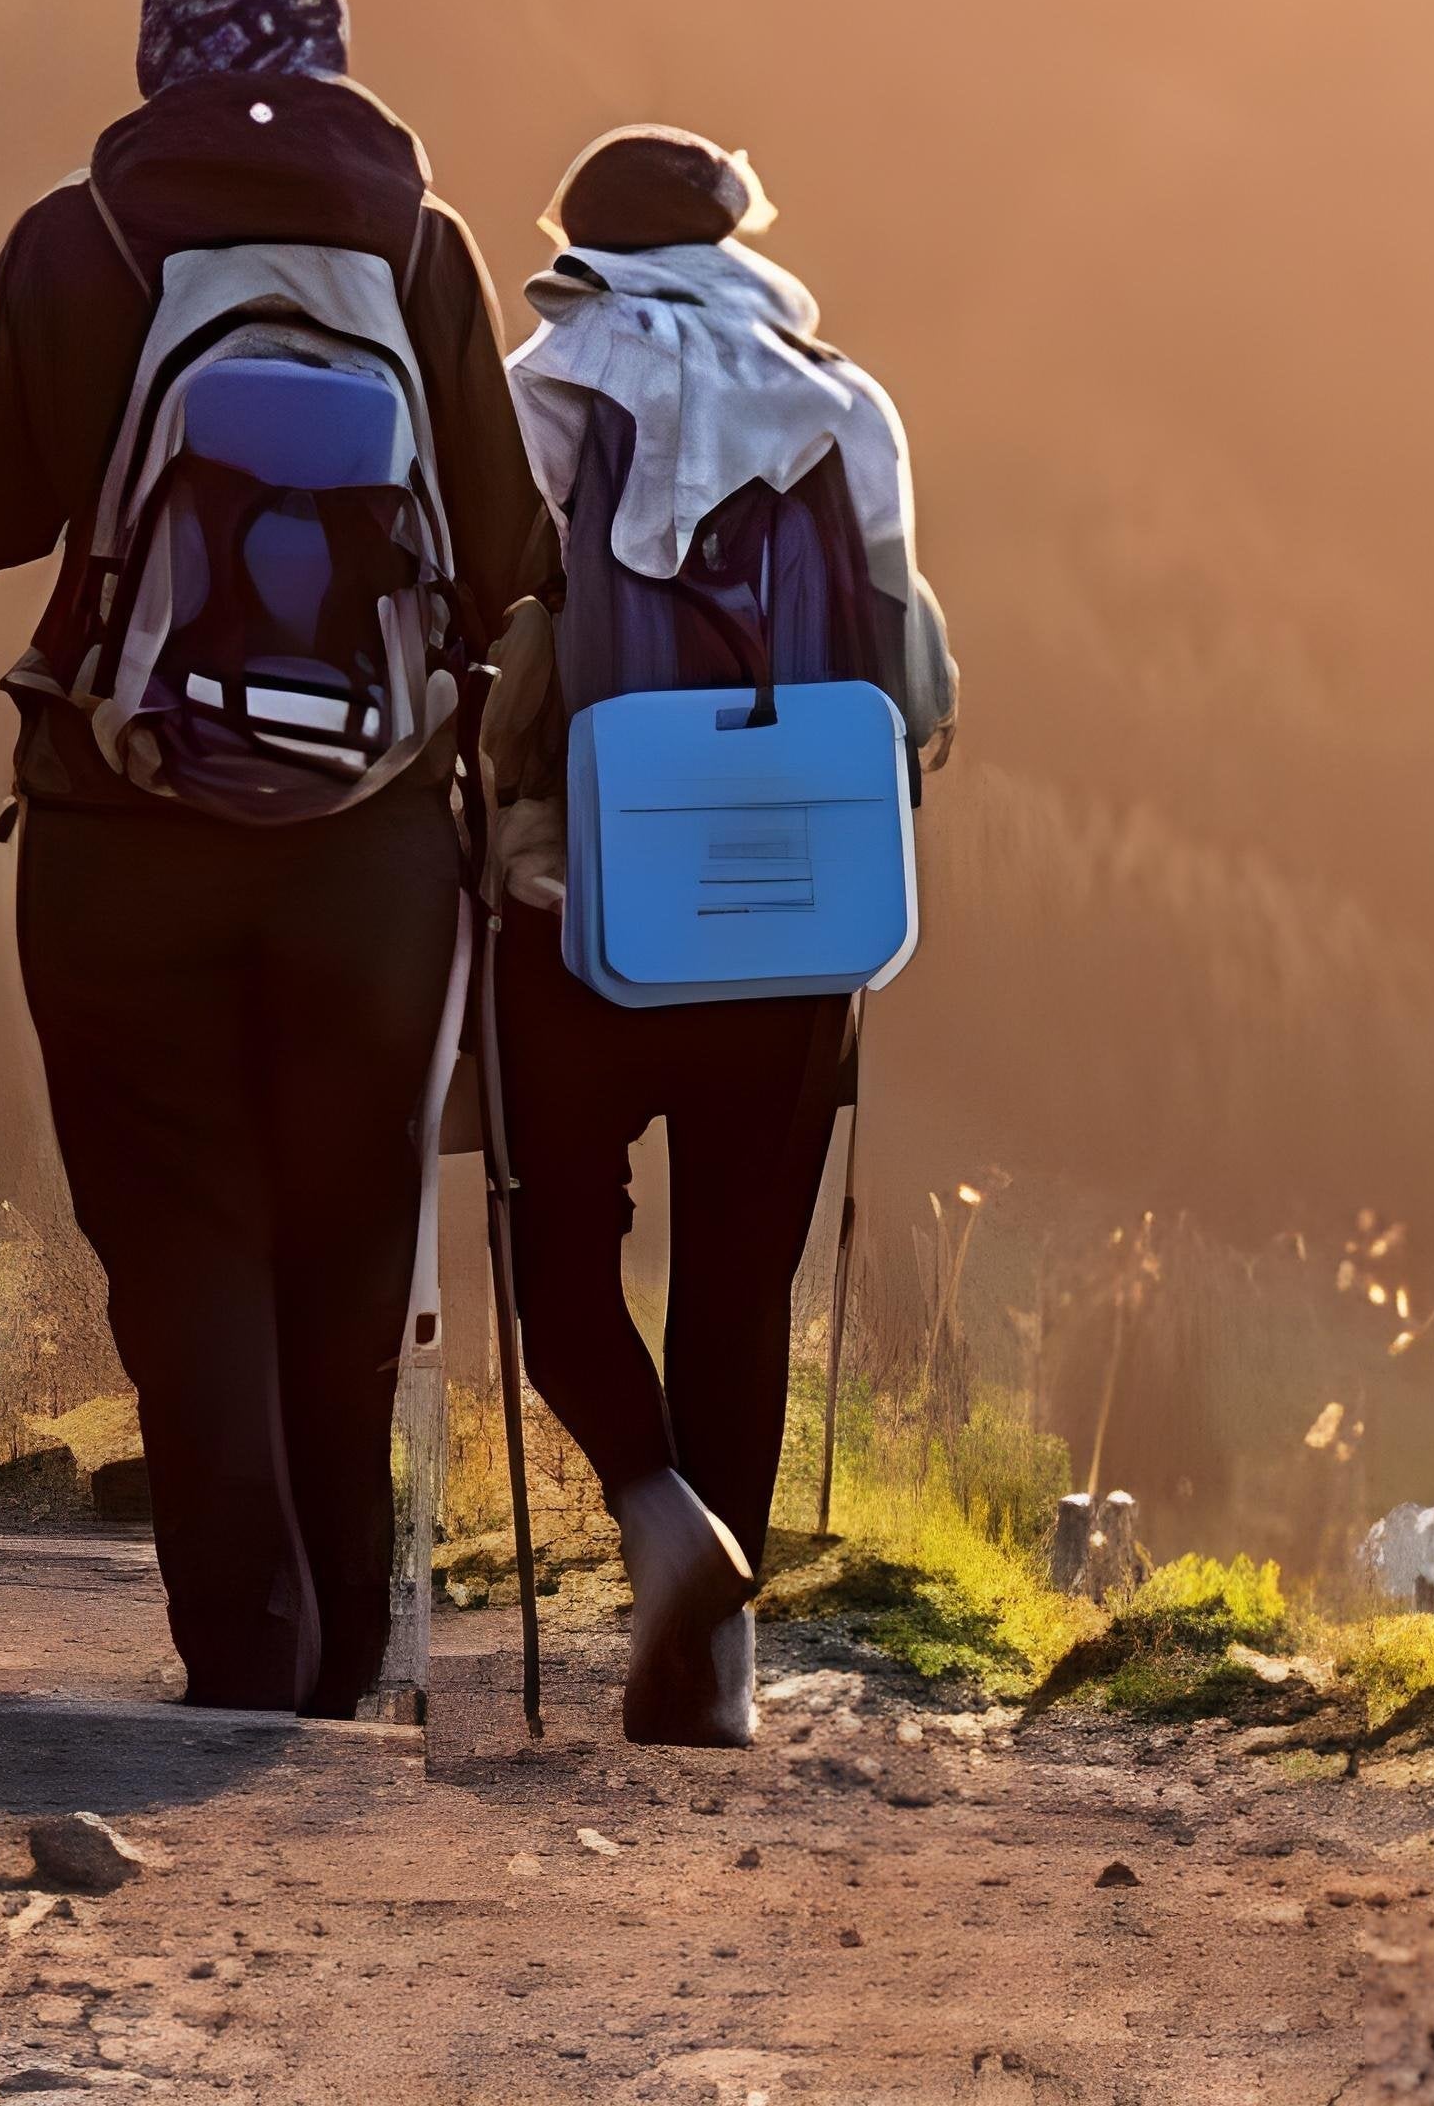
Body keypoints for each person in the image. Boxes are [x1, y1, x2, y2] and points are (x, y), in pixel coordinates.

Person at [0, 0, 551, 1716]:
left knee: (179, 1226)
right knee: (350, 1234)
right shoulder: (421, 247)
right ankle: (342, 1662)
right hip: (370, 850)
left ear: (159, 57)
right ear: (329, 56)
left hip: (124, 834)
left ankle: (247, 1648)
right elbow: (506, 555)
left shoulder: (85, 234)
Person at [484, 124, 959, 1746]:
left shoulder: (537, 394)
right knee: (741, 1282)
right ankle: (716, 1675)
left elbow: (475, 632)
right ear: (732, 241)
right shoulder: (844, 404)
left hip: (580, 904)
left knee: (558, 1249)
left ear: (582, 247)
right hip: (798, 913)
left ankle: (652, 1504)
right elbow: (912, 679)